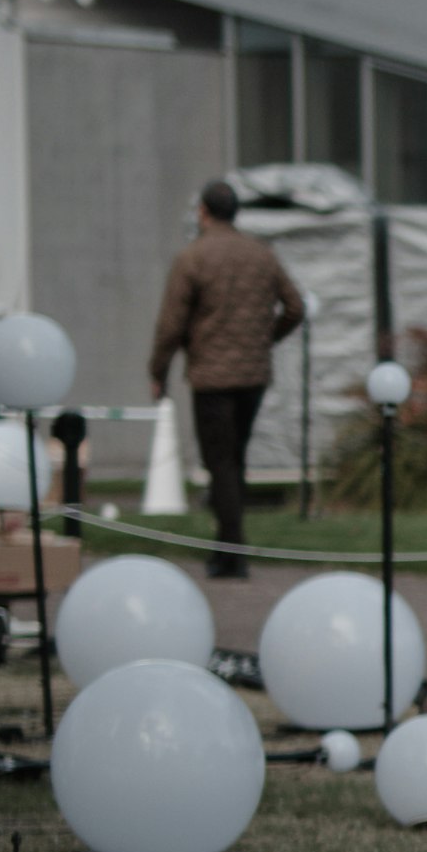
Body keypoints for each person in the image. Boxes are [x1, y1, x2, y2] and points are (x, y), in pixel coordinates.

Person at [147, 179, 307, 580]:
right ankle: (226, 547)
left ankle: (231, 554)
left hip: (211, 377)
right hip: (253, 375)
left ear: (203, 211)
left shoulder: (193, 258)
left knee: (219, 462)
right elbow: (295, 307)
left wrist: (158, 371)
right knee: (234, 460)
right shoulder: (261, 255)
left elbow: (171, 325)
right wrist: (264, 339)